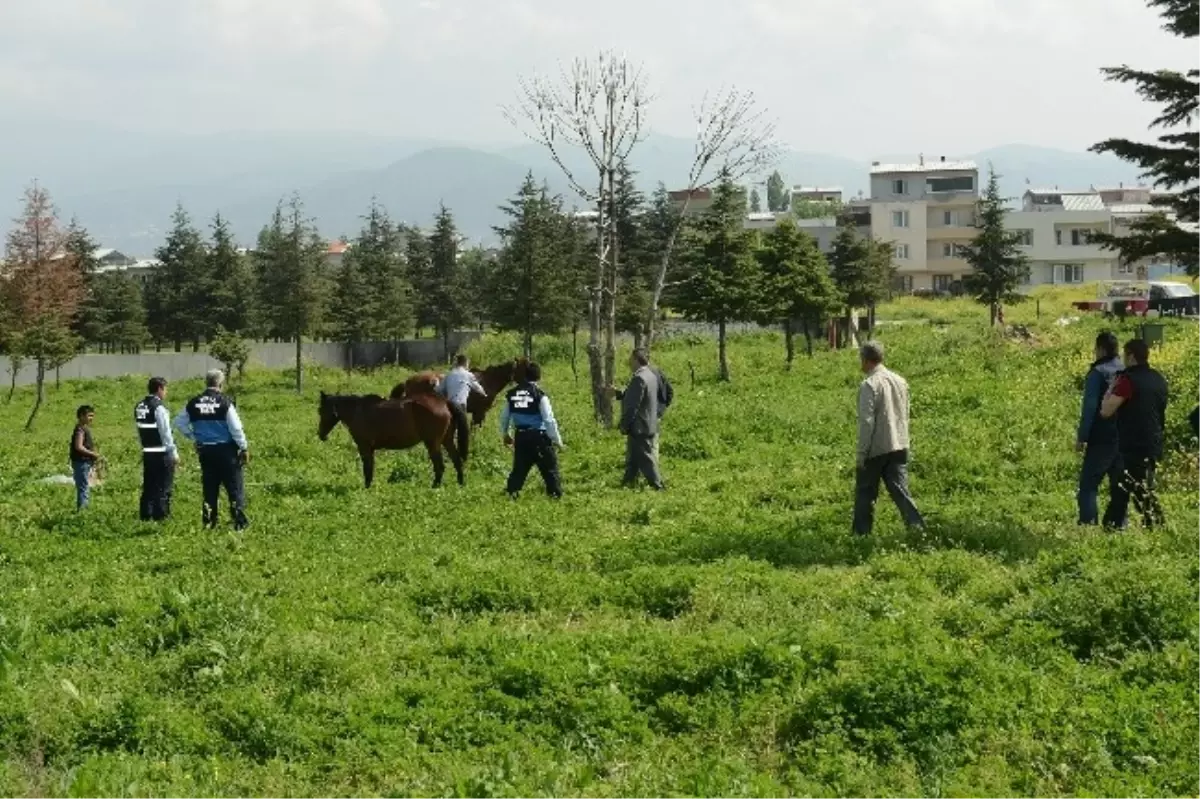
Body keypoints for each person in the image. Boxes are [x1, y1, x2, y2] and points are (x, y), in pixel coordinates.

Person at [853, 341, 925, 536]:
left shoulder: (869, 384)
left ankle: (860, 535)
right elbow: (906, 413)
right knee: (901, 491)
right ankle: (917, 528)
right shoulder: (900, 381)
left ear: (866, 360)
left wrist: (862, 453)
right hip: (900, 443)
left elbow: (867, 422)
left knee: (865, 493)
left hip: (876, 447)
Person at [1100, 338, 1168, 529]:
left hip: (1132, 444)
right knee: (1125, 487)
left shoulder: (1126, 380)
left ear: (1130, 356)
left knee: (1135, 488)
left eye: (1124, 354)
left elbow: (1106, 411)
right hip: (1153, 442)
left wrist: (1111, 387)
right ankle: (1112, 526)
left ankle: (1156, 524)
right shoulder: (1158, 378)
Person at [175, 369, 250, 530]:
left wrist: (194, 437)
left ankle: (209, 521)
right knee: (234, 486)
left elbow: (179, 422)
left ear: (206, 383)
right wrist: (243, 447)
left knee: (210, 487)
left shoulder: (194, 402)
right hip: (226, 450)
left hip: (206, 451)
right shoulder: (225, 402)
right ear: (221, 384)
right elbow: (236, 428)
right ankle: (239, 522)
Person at [1076, 332, 1124, 526]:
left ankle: (1088, 525)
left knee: (1088, 485)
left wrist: (1082, 437)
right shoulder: (1125, 371)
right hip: (1123, 437)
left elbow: (1090, 407)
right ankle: (1118, 525)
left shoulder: (1098, 374)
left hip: (1101, 436)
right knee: (1118, 485)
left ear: (1101, 349)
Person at [499, 361, 563, 499]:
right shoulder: (539, 394)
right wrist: (556, 440)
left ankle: (512, 493)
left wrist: (506, 433)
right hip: (539, 437)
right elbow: (548, 419)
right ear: (538, 377)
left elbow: (504, 417)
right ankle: (554, 495)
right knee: (550, 468)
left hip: (521, 437)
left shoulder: (511, 394)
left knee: (519, 469)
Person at [134, 376, 180, 522]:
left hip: (147, 452)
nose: (166, 393)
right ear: (160, 389)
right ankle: (161, 515)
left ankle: (146, 514)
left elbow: (139, 430)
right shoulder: (159, 408)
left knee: (149, 484)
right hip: (161, 453)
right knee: (164, 485)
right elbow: (165, 432)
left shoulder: (140, 406)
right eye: (165, 389)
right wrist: (173, 452)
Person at [619, 348, 665, 490]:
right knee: (633, 457)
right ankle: (627, 482)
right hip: (648, 423)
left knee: (646, 458)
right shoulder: (650, 375)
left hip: (640, 426)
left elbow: (633, 406)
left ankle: (658, 486)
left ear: (636, 360)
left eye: (630, 359)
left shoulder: (639, 378)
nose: (628, 362)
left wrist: (624, 424)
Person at [69, 405, 100, 511]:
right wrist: (92, 454)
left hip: (83, 462)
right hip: (81, 462)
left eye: (92, 416)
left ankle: (82, 509)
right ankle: (83, 511)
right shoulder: (80, 429)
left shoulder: (83, 428)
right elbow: (79, 446)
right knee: (84, 488)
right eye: (89, 416)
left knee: (83, 486)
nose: (91, 418)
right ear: (81, 416)